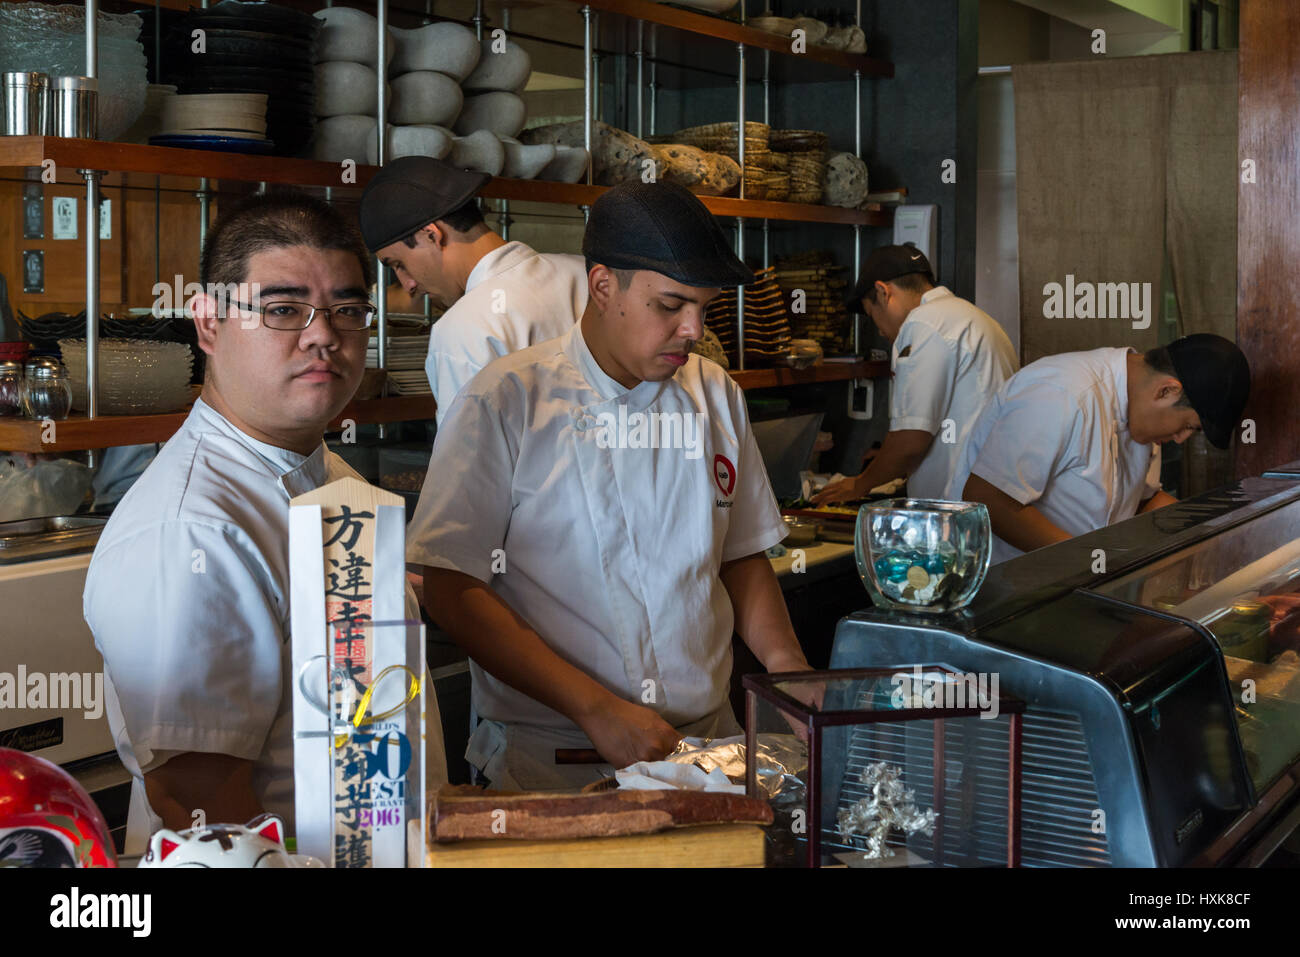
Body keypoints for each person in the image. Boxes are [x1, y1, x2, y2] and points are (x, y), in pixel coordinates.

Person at [405, 180, 813, 790]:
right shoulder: (506, 399)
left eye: (704, 307)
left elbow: (741, 554)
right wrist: (596, 709)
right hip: (553, 759)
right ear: (602, 287)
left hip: (708, 745)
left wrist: (790, 674)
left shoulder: (714, 393)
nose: (693, 329)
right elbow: (447, 583)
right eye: (670, 305)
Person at [83, 192, 446, 853]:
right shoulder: (192, 530)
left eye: (347, 309)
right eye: (283, 310)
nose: (323, 335)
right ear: (209, 323)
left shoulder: (334, 478)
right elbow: (196, 800)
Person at [948, 334, 1251, 564]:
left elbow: (1143, 500)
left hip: (1068, 588)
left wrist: (1212, 535)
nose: (1181, 439)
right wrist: (1088, 562)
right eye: (1188, 425)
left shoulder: (1140, 417)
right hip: (997, 581)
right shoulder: (1063, 392)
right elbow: (988, 498)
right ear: (1167, 390)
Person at [359, 156, 588, 425]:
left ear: (432, 235)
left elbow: (467, 462)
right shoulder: (585, 273)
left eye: (399, 264)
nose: (408, 284)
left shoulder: (462, 330)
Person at [814, 245, 1017, 504]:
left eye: (871, 314)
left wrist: (859, 484)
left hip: (958, 512)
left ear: (882, 292)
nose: (878, 331)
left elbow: (911, 438)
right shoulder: (973, 317)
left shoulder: (923, 323)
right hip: (990, 502)